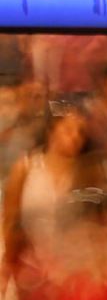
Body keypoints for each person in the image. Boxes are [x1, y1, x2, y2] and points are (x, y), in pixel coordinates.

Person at [4, 105, 89, 276]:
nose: (75, 137)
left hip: (71, 269)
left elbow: (91, 224)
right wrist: (8, 263)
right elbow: (11, 221)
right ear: (51, 131)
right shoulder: (25, 169)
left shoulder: (85, 175)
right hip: (30, 268)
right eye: (68, 129)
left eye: (81, 133)